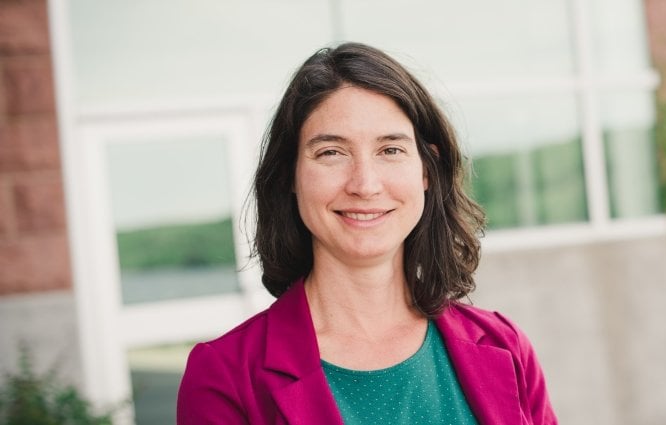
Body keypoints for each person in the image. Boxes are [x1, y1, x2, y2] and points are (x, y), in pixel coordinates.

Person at [177, 42, 557, 425]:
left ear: (427, 170)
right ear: (290, 175)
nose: (365, 184)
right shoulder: (224, 377)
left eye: (390, 150)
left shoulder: (504, 345)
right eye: (331, 153)